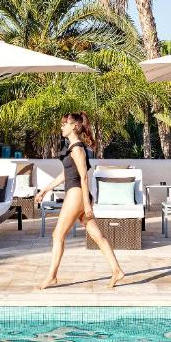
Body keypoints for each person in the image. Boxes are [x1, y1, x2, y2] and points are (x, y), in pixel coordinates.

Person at [34, 112, 125, 290]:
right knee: (97, 236)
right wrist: (46, 189)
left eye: (64, 124)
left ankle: (52, 276)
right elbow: (66, 174)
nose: (61, 127)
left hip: (76, 194)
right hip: (78, 194)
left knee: (57, 235)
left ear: (74, 126)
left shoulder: (77, 149)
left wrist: (85, 204)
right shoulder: (73, 148)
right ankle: (117, 270)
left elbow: (84, 177)